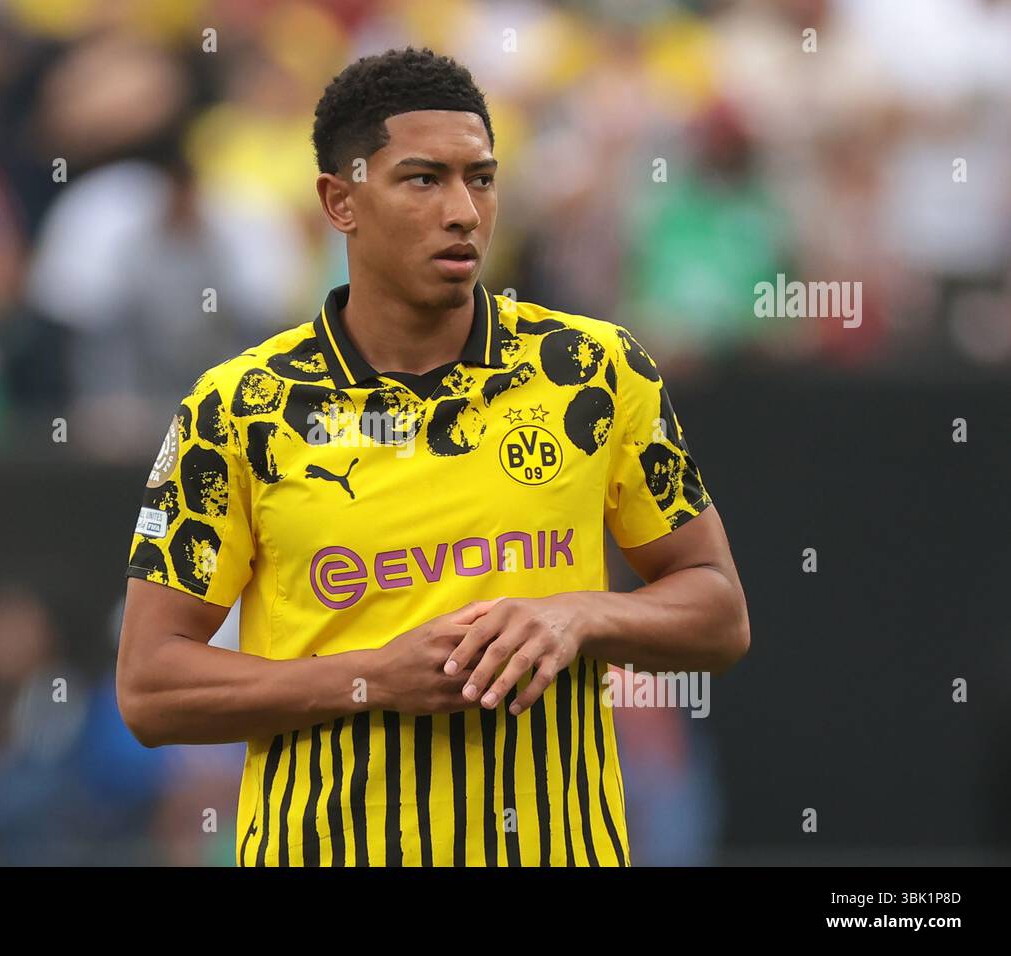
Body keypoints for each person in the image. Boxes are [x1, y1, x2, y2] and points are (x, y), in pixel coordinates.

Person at [116, 47, 749, 866]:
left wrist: (579, 615)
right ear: (340, 201)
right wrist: (369, 678)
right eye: (423, 179)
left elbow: (718, 612)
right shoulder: (238, 407)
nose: (464, 211)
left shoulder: (593, 370)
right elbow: (150, 687)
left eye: (481, 179)